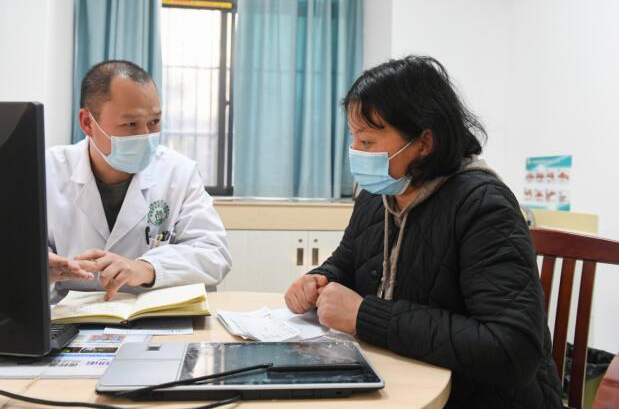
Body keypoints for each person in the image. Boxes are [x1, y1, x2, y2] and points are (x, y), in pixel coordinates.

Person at [285, 56, 562, 408]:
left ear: (424, 142)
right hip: (400, 381)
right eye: (354, 139)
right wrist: (319, 280)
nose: (355, 152)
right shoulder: (376, 196)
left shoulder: (482, 205)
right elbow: (348, 262)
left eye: (367, 142)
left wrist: (364, 316)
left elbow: (511, 349)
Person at [46, 60, 231, 302]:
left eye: (154, 122)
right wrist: (37, 266)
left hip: (155, 315)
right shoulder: (48, 170)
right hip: (70, 317)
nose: (145, 136)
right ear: (88, 123)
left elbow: (214, 255)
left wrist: (146, 268)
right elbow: (11, 249)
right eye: (130, 124)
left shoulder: (179, 173)